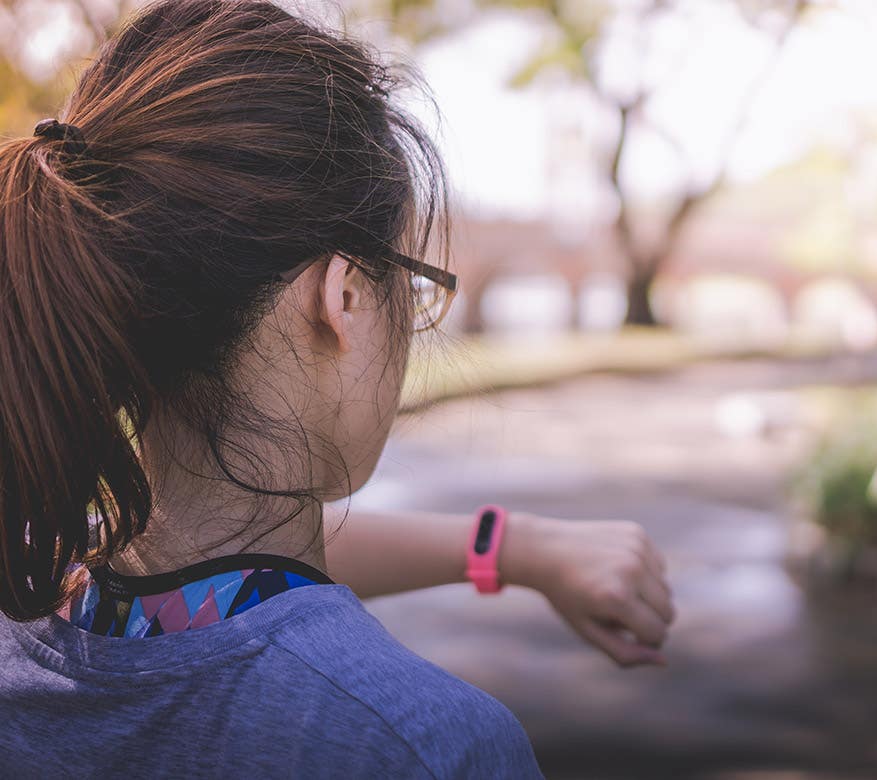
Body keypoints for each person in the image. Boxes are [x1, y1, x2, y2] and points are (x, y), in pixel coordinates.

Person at [0, 0, 675, 775]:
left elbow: (228, 572)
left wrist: (515, 547)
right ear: (345, 296)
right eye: (414, 285)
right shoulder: (422, 743)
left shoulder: (32, 575)